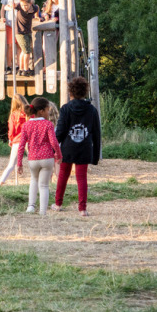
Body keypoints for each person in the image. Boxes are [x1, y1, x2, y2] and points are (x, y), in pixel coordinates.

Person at [53, 77, 101, 217]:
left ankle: (58, 204)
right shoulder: (92, 110)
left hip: (68, 148)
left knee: (63, 175)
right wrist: (95, 156)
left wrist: (54, 149)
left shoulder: (65, 109)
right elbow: (97, 133)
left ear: (70, 92)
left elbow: (60, 131)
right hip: (85, 148)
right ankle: (82, 209)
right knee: (82, 178)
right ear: (85, 91)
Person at [17, 97, 62, 216]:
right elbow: (53, 142)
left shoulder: (26, 125)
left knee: (33, 180)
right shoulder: (48, 124)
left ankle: (30, 206)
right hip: (47, 158)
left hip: (33, 159)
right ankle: (42, 211)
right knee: (44, 185)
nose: (49, 112)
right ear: (41, 111)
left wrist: (19, 163)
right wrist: (58, 154)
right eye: (48, 110)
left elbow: (21, 145)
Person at [5, 0, 41, 76]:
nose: (24, 7)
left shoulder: (34, 7)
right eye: (22, 5)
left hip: (28, 31)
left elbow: (37, 7)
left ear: (30, 3)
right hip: (19, 32)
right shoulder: (19, 6)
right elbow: (6, 7)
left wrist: (37, 16)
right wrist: (11, 7)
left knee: (23, 51)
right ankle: (25, 69)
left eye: (26, 6)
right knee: (27, 52)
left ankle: (21, 69)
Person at [0, 94, 29, 186]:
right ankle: (37, 180)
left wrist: (10, 139)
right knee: (33, 162)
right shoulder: (29, 114)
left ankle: (1, 182)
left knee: (11, 164)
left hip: (17, 140)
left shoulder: (13, 115)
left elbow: (11, 130)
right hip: (28, 140)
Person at [0, 0, 23, 71]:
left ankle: (19, 65)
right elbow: (2, 9)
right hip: (9, 24)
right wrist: (2, 17)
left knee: (19, 45)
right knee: (9, 45)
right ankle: (8, 65)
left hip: (20, 24)